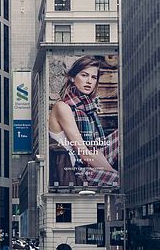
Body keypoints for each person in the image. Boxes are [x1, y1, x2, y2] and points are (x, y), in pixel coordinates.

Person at [47, 55, 119, 187]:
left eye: (93, 77)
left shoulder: (87, 107)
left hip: (89, 160)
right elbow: (84, 153)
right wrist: (114, 172)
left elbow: (94, 150)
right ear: (73, 78)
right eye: (84, 75)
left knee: (122, 134)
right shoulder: (62, 107)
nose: (89, 81)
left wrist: (107, 169)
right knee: (122, 181)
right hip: (78, 170)